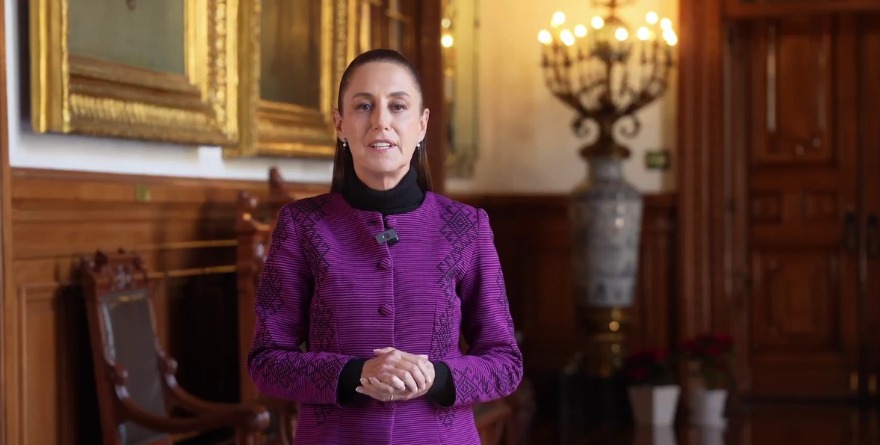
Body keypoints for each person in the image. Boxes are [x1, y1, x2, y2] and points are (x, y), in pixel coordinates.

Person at [247, 48, 523, 444]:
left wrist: (436, 376)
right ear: (340, 124)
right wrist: (354, 374)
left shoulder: (467, 226)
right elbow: (266, 362)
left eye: (397, 106)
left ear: (422, 124)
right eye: (364, 106)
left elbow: (505, 364)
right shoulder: (301, 225)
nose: (380, 121)